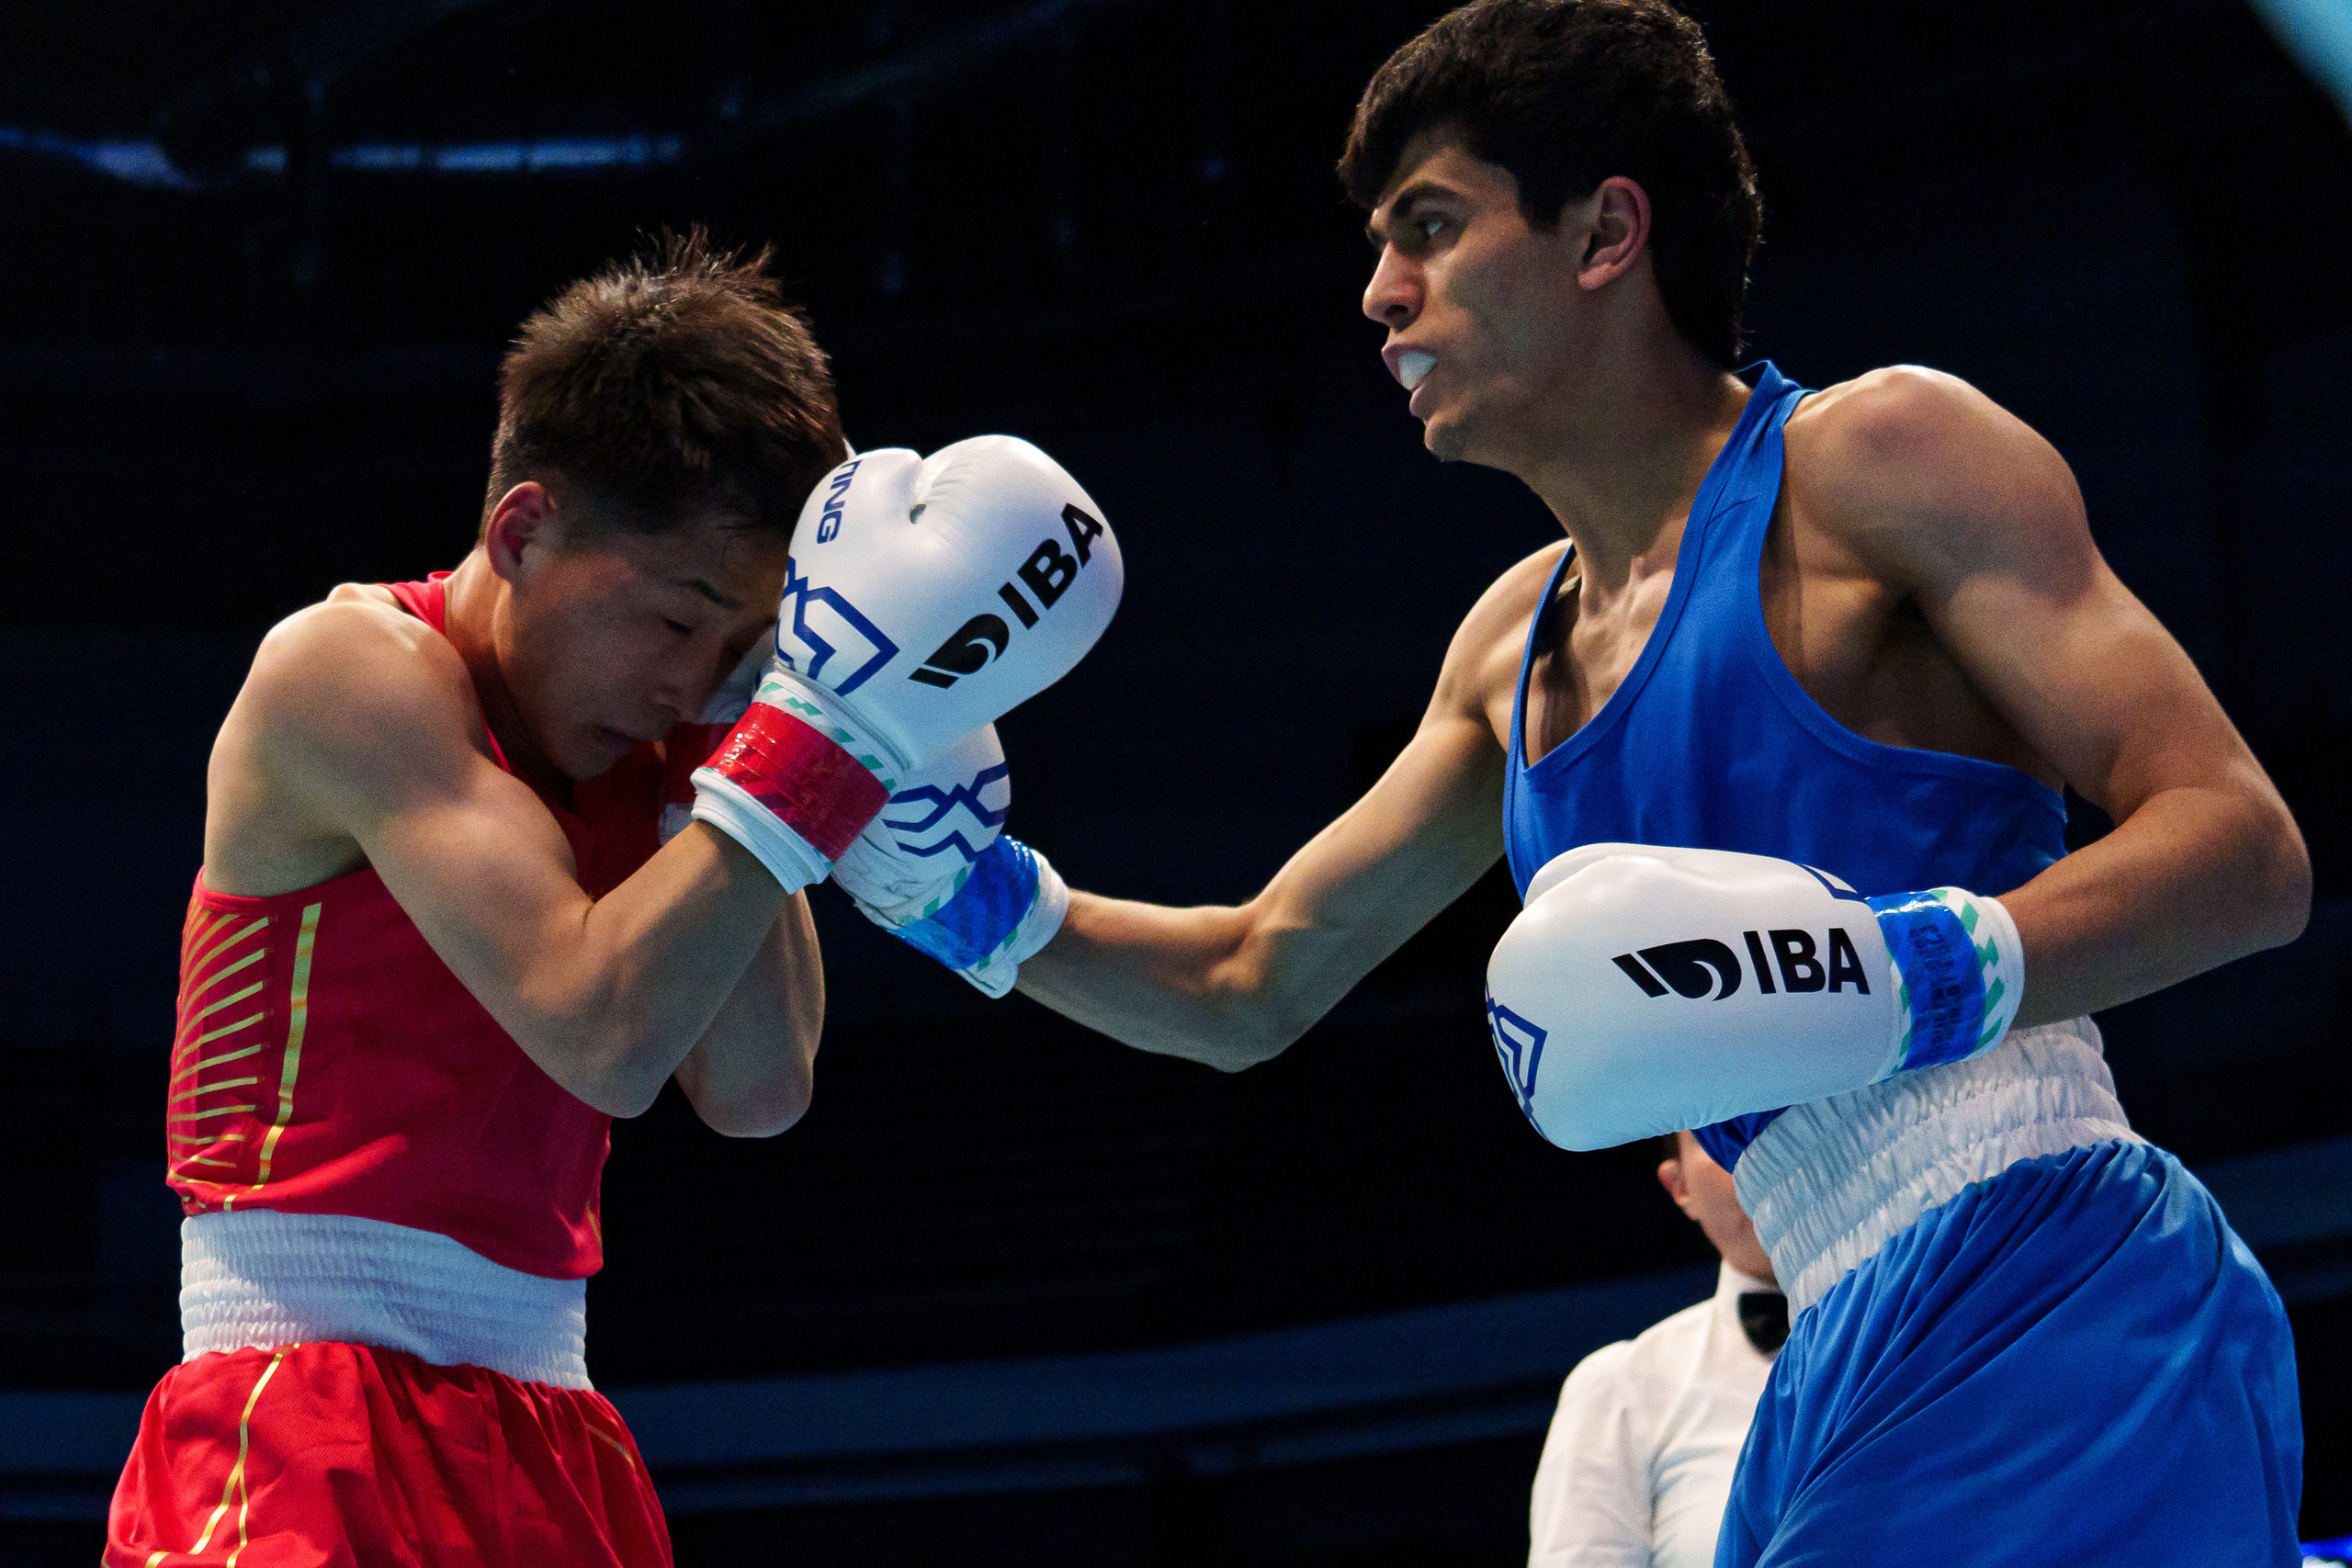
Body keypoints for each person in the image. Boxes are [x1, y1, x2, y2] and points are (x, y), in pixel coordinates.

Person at [833, 2, 2312, 1560]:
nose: (1377, 291)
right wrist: (960, 894)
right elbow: (1250, 978)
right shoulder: (1506, 655)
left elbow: (2243, 846)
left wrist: (1906, 969)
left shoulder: (1881, 463)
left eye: (1432, 228)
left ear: (1608, 231)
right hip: (1832, 1339)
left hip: (2053, 1274)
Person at [109, 231, 1116, 1566]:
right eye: (675, 617)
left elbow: (761, 1088)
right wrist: (827, 734)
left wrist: (765, 715)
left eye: (742, 639)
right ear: (523, 528)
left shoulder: (687, 738)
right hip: (299, 1406)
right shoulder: (347, 672)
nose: (689, 675)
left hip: (554, 1429)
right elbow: (601, 1030)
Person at [1528, 1133, 1781, 1568]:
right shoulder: (1625, 1386)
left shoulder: (1925, 1336)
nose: (1762, 1153)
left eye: (1779, 1119)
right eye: (1725, 1129)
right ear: (1679, 1186)